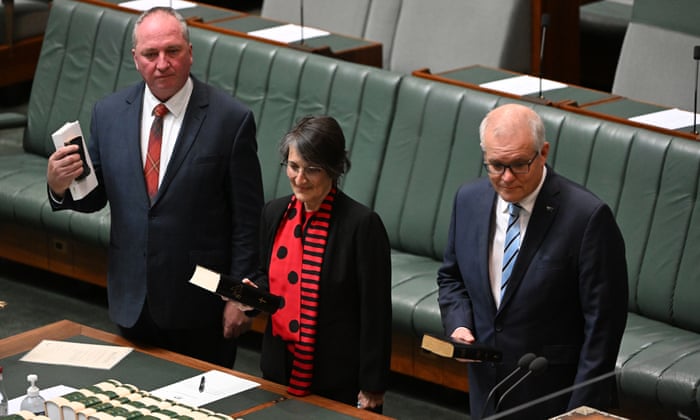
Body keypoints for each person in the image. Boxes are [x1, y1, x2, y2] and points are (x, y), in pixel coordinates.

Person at [45, 7, 264, 368]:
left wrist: (238, 297)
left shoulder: (231, 120)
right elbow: (94, 196)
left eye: (173, 51)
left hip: (202, 307)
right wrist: (59, 185)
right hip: (132, 300)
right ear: (136, 59)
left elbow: (247, 219)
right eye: (151, 54)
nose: (162, 63)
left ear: (190, 52)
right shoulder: (109, 113)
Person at [437, 103, 628, 419]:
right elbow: (451, 278)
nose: (507, 178)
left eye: (519, 164)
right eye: (496, 165)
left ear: (544, 152)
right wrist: (459, 324)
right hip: (487, 388)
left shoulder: (587, 217)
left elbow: (603, 329)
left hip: (553, 394)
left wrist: (581, 410)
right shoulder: (468, 200)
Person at [242, 115, 392, 411]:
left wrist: (373, 386)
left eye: (312, 169)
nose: (299, 178)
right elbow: (266, 276)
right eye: (293, 167)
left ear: (335, 169)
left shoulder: (362, 225)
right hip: (278, 366)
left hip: (336, 376)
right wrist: (249, 294)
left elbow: (375, 313)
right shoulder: (274, 213)